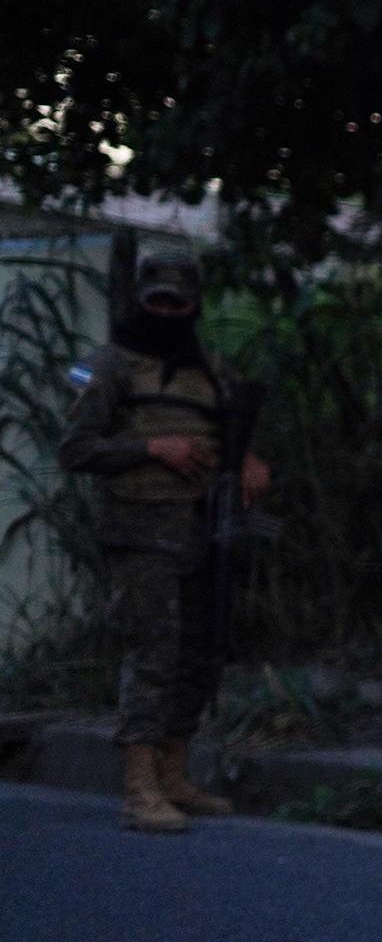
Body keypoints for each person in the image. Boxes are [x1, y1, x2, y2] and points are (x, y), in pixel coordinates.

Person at [56, 248, 270, 835]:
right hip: (139, 530)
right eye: (159, 302)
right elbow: (74, 449)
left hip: (203, 526)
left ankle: (174, 773)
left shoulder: (212, 370)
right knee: (151, 653)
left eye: (180, 302)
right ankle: (139, 787)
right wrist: (153, 449)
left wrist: (246, 459)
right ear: (141, 302)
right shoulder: (105, 367)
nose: (169, 312)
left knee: (201, 650)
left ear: (194, 305)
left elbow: (228, 432)